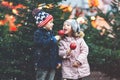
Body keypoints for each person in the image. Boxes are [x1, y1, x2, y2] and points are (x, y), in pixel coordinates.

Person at [32, 8, 61, 80]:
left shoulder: (51, 33)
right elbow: (42, 44)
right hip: (43, 64)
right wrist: (53, 39)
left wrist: (58, 61)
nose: (53, 24)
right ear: (44, 24)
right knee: (41, 77)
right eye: (50, 22)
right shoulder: (38, 33)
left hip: (52, 64)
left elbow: (55, 48)